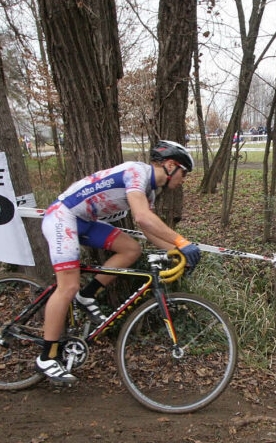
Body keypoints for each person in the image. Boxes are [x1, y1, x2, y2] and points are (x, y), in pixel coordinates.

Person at [36, 141, 202, 386]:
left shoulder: (149, 191)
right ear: (170, 166)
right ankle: (47, 356)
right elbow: (142, 216)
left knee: (131, 248)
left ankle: (88, 294)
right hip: (63, 216)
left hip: (83, 220)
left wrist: (178, 252)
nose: (184, 179)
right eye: (184, 173)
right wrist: (182, 241)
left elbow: (147, 230)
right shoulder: (137, 172)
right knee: (67, 287)